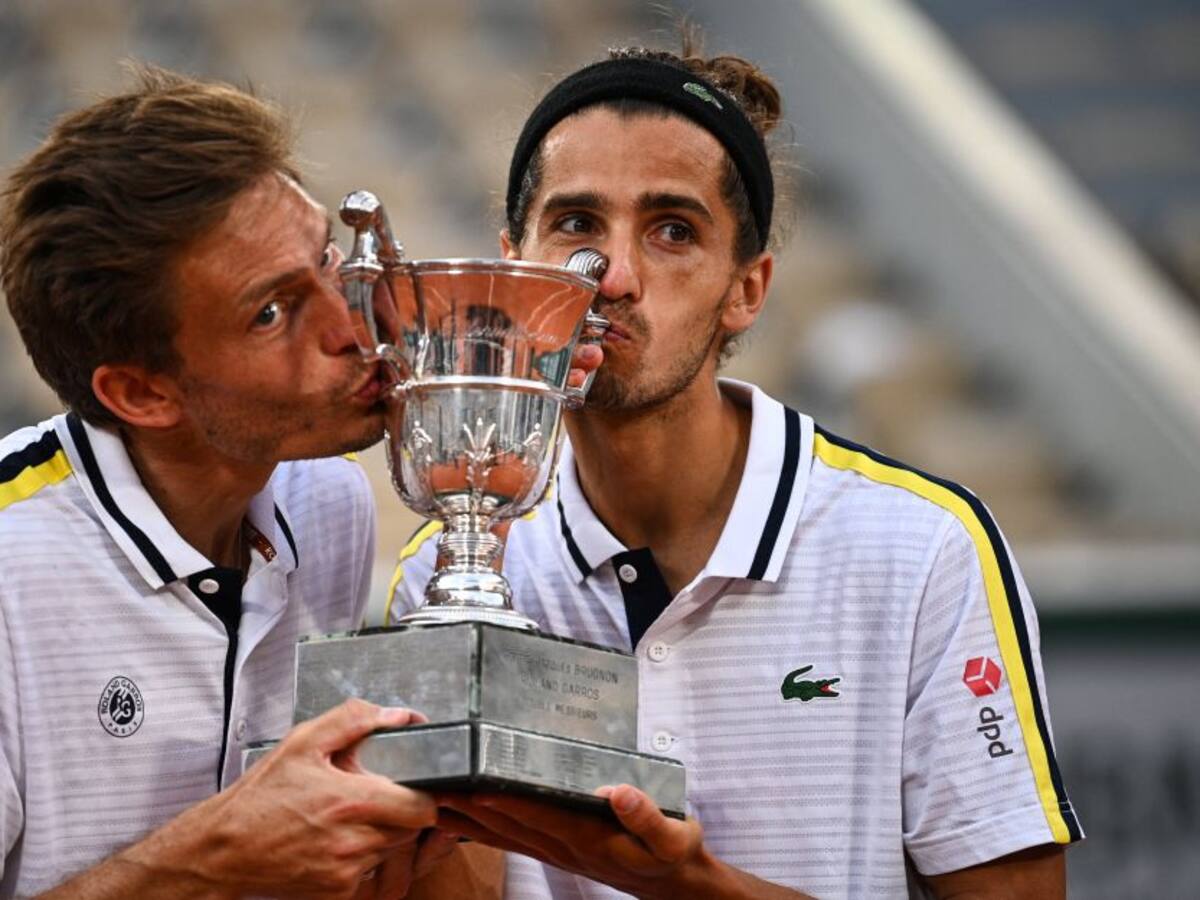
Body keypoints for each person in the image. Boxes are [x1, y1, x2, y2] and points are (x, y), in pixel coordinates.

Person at [389, 43, 1084, 899]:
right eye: (575, 225)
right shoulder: (447, 566)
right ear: (515, 262)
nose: (614, 277)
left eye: (673, 231)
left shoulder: (922, 548)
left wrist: (697, 887)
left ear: (746, 289)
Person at [0, 66, 466, 898]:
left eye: (328, 259)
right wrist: (207, 859)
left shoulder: (328, 501)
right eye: (272, 313)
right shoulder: (10, 569)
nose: (349, 326)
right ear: (143, 393)